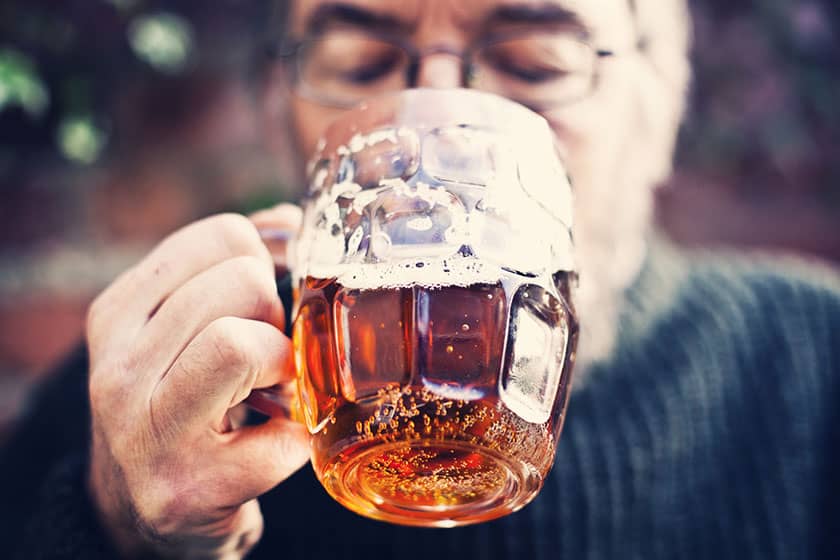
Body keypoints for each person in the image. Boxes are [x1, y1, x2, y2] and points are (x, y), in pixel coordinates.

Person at [2, 0, 839, 558]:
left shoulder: (818, 366)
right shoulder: (126, 415)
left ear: (663, 103)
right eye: (364, 64)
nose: (439, 130)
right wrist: (112, 532)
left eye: (534, 62)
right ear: (273, 109)